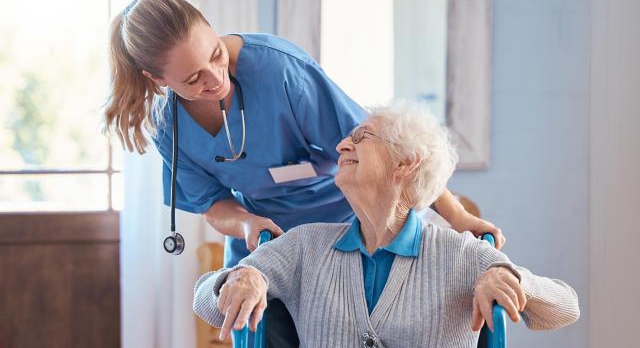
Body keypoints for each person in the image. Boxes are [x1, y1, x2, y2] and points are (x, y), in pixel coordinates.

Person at [103, 0, 505, 346]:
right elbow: (211, 203)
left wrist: (458, 216)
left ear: (212, 28)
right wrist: (246, 224)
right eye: (193, 79)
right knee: (261, 325)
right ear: (156, 79)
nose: (215, 79)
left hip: (350, 229)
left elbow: (383, 148)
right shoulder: (166, 123)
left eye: (216, 55)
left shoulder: (279, 71)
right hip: (270, 243)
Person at [193, 101, 580, 347]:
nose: (342, 146)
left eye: (361, 138)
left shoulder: (459, 254)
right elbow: (205, 301)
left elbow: (565, 307)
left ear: (405, 163)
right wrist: (239, 278)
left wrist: (510, 279)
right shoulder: (305, 245)